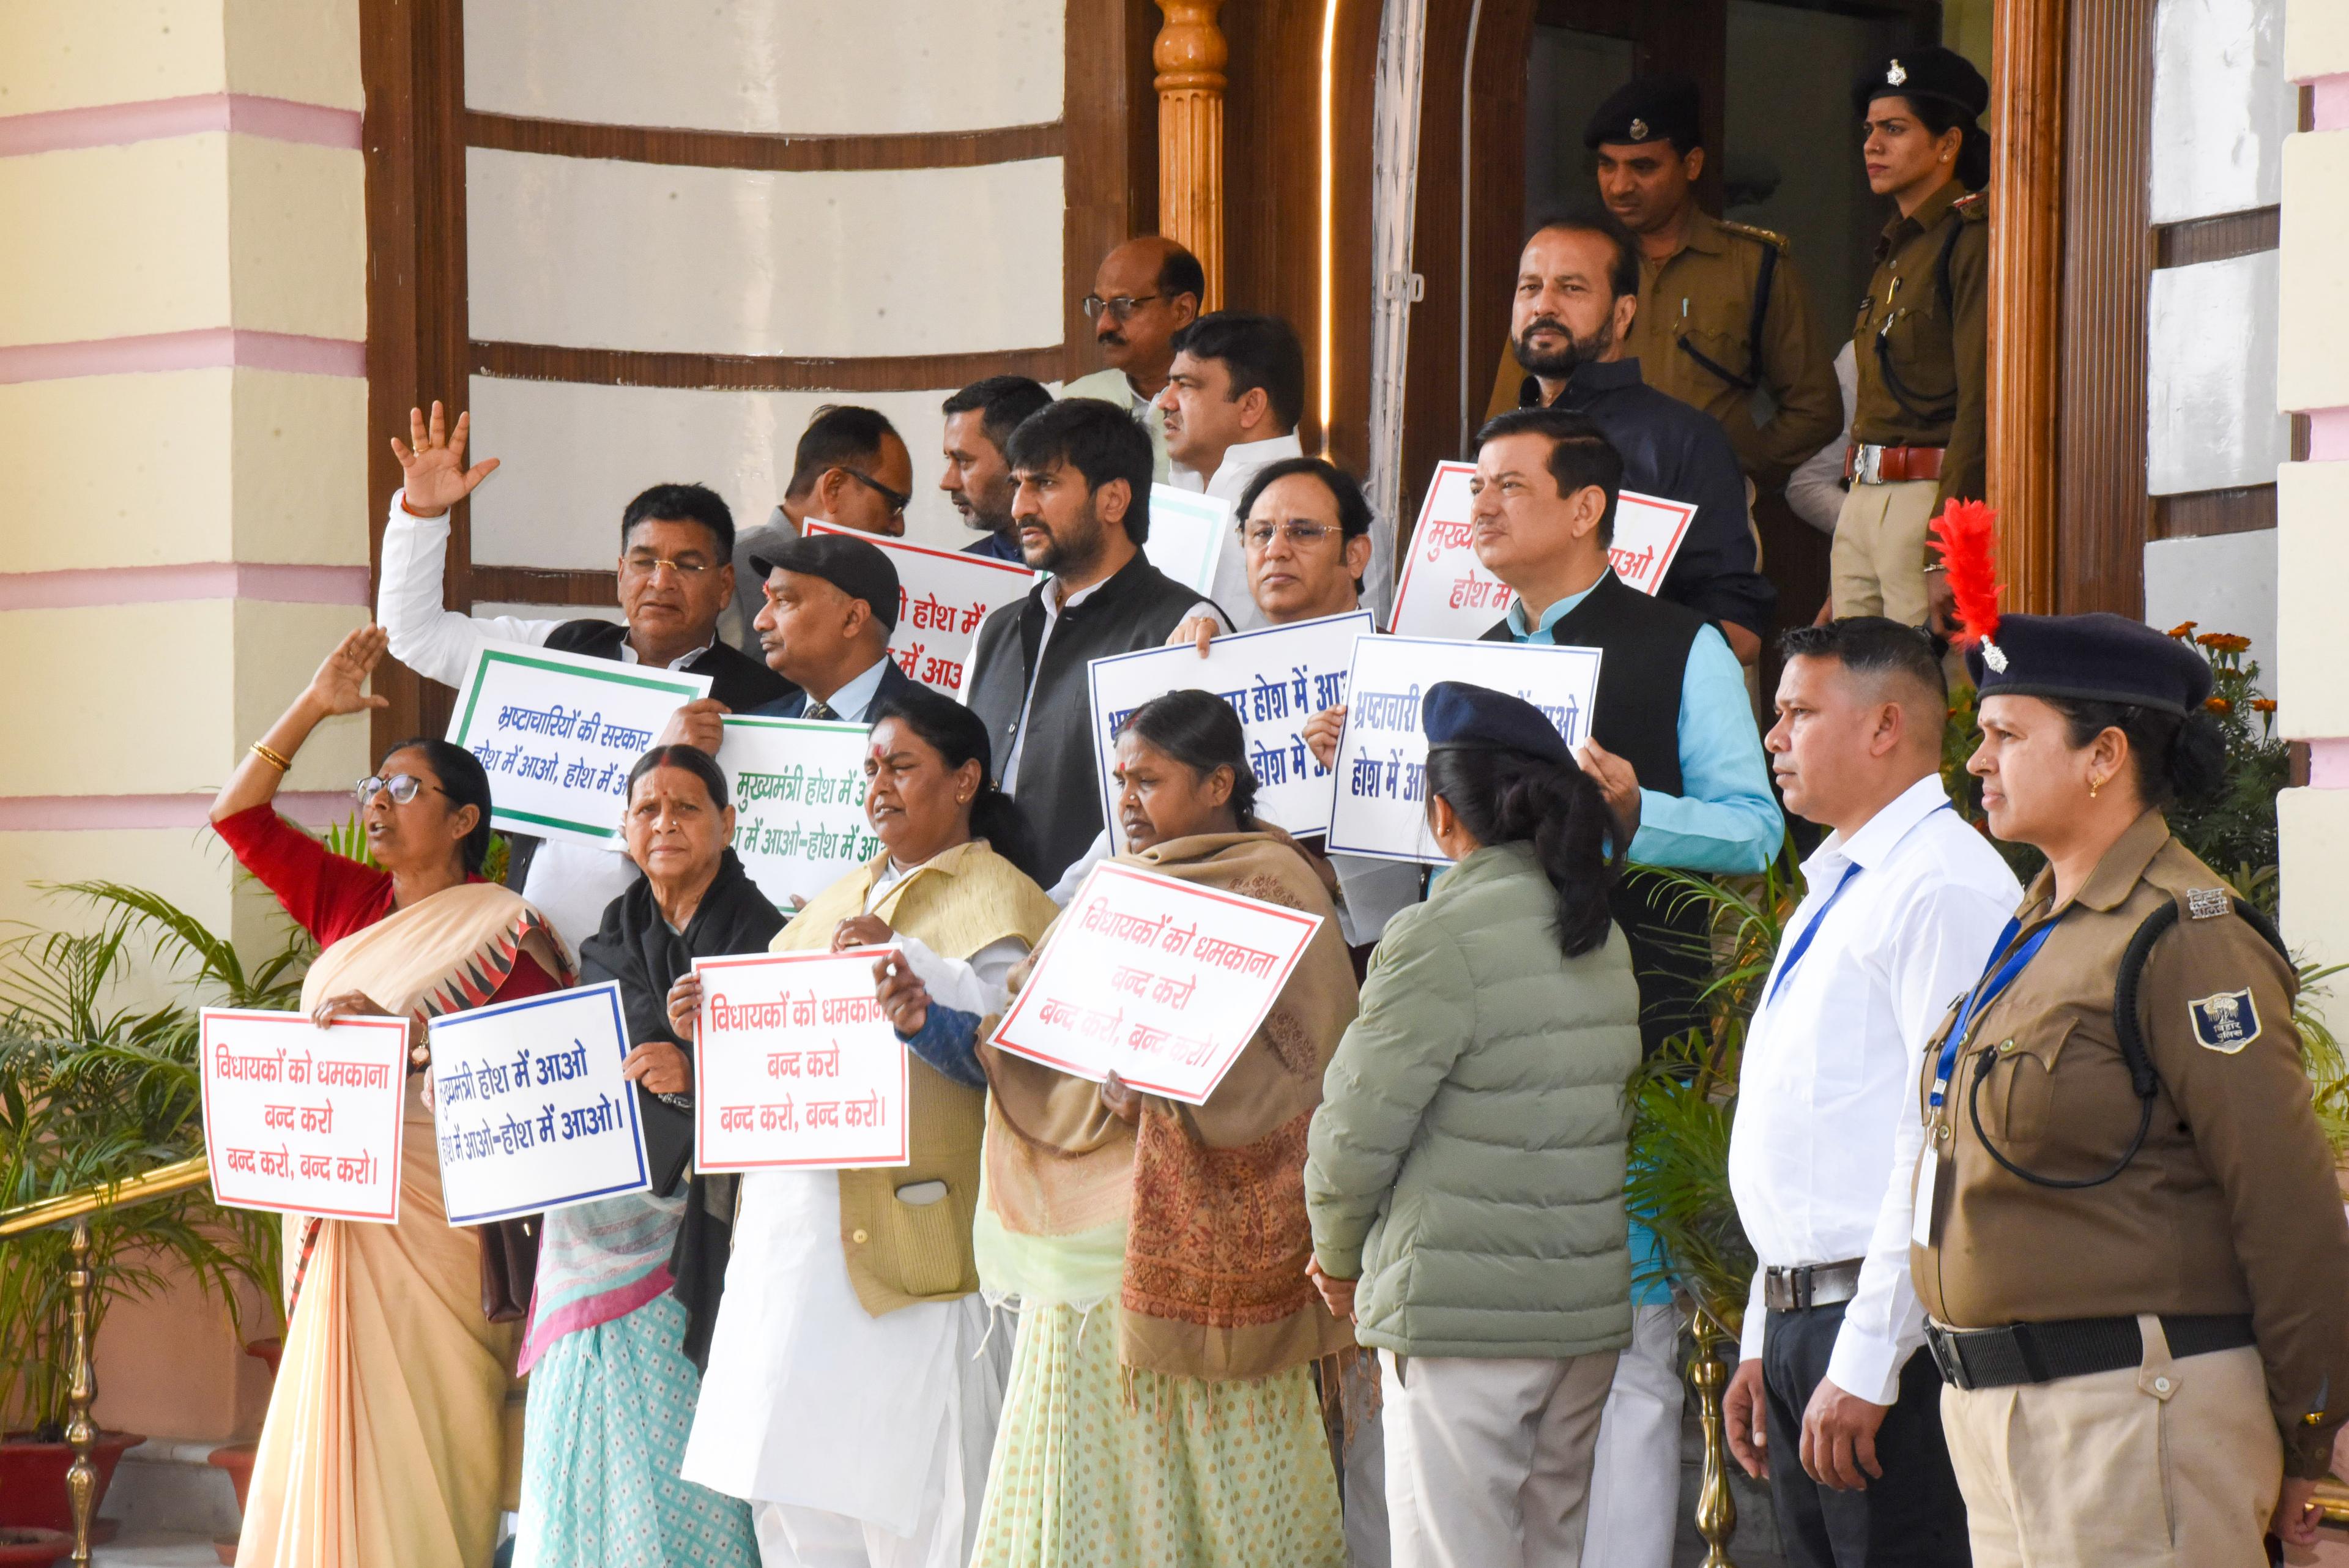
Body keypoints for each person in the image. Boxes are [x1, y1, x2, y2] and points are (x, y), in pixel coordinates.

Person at [1906, 512, 2349, 1566]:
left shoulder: (2186, 934)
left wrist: (2315, 1438)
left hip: (2134, 1416)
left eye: (2007, 734)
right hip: (2005, 1418)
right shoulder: (2040, 922)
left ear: (2104, 755)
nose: (1976, 759)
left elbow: (2283, 1203)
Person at [875, 689, 1359, 1568]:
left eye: (1151, 779)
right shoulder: (1115, 888)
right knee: (1085, 1499)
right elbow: (1025, 1044)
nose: (1129, 799)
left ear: (1219, 783)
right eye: (1122, 779)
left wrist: (1177, 1102)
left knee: (1222, 1506)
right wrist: (926, 1023)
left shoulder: (1276, 883)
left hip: (1214, 1262)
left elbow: (1311, 1066)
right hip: (1088, 1272)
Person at [1464, 407, 1777, 1568]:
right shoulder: (1465, 658)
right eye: (1476, 489)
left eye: (1508, 486)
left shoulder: (1680, 645)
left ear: (1587, 504)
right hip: (1491, 1042)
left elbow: (1752, 831)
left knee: (1638, 1348)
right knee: (1506, 1347)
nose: (1481, 508)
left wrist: (1645, 815)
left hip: (1639, 1032)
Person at [671, 688, 1061, 1567]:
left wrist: (911, 962)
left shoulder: (1007, 903)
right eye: (871, 767)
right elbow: (773, 1047)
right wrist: (712, 1022)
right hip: (794, 1253)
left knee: (919, 1516)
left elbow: (1017, 1060)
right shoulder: (831, 898)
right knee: (798, 1514)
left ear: (967, 780)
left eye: (903, 765)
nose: (880, 784)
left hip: (914, 1247)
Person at [213, 625, 574, 1568]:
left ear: (464, 821)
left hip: (437, 1219)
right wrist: (311, 704)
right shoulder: (351, 903)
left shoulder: (509, 931)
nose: (378, 802)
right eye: (372, 787)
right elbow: (238, 815)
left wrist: (411, 1038)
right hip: (337, 1209)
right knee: (329, 1418)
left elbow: (529, 1079)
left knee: (426, 1437)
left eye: (405, 788)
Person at [1305, 681, 1642, 1568]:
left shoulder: (1435, 933)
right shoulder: (1597, 929)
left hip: (1461, 1323)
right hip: (1579, 1314)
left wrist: (1338, 1259)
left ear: (1442, 813)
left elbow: (1352, 1134)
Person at [1716, 618, 2017, 1568]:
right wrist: (1768, 1327)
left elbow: (1939, 1142)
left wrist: (1866, 1356)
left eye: (1798, 712)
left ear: (1886, 725)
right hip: (1814, 1321)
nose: (1775, 738)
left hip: (1891, 1335)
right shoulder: (1841, 881)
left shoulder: (1942, 885)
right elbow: (1808, 1138)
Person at [376, 401, 791, 948]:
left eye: (686, 565)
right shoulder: (561, 650)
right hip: (530, 956)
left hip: (671, 974)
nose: (660, 582)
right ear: (620, 575)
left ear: (722, 585)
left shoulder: (768, 700)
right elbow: (415, 635)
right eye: (644, 561)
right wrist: (422, 517)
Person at [517, 746, 777, 1568]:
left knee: (682, 1450)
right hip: (592, 1237)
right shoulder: (608, 942)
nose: (665, 823)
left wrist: (699, 1072)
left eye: (687, 807)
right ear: (625, 829)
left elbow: (797, 1080)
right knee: (587, 1430)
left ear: (728, 823)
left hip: (709, 1239)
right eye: (648, 809)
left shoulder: (768, 936)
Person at [964, 398, 1223, 886]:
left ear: (1113, 500)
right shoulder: (995, 630)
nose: (1020, 507)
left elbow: (1188, 824)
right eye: (1017, 484)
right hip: (981, 928)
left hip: (1107, 927)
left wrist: (1052, 918)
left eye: (1044, 483)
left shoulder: (1184, 627)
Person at [1502, 210, 1775, 662]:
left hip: (1627, 718)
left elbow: (1740, 631)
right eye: (1530, 287)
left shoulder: (1684, 440)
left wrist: (1630, 659)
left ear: (1623, 312)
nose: (1543, 305)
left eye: (1571, 288)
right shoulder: (1499, 445)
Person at [1581, 76, 1839, 489]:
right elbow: (1525, 392)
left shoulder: (1752, 265)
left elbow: (1815, 409)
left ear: (1692, 164)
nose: (1620, 185)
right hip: (1590, 509)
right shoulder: (1576, 264)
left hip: (1707, 513)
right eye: (1607, 165)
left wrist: (1730, 464)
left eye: (1643, 166)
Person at [1836, 48, 1989, 631]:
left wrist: (1948, 549)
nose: (1873, 145)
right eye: (1870, 130)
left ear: (1948, 144)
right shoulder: (1899, 246)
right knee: (1855, 688)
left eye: (1895, 130)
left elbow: (1979, 408)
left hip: (1926, 500)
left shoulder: (1967, 240)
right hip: (1864, 498)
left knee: (1932, 700)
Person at [1158, 311, 1308, 630]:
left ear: (1250, 406)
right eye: (1168, 384)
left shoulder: (1324, 510)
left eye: (1184, 385)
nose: (1164, 401)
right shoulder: (1183, 486)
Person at [727, 405, 916, 646]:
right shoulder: (731, 567)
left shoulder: (860, 584)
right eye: (893, 505)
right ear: (834, 488)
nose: (899, 527)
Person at [1060, 236, 1204, 481]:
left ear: (1182, 311)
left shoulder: (1227, 406)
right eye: (1099, 306)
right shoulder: (1076, 403)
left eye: (1123, 306)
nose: (1104, 325)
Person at [940, 375, 1054, 561]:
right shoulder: (958, 575)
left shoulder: (1092, 570)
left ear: (1022, 460)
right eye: (948, 459)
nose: (946, 483)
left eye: (962, 461)